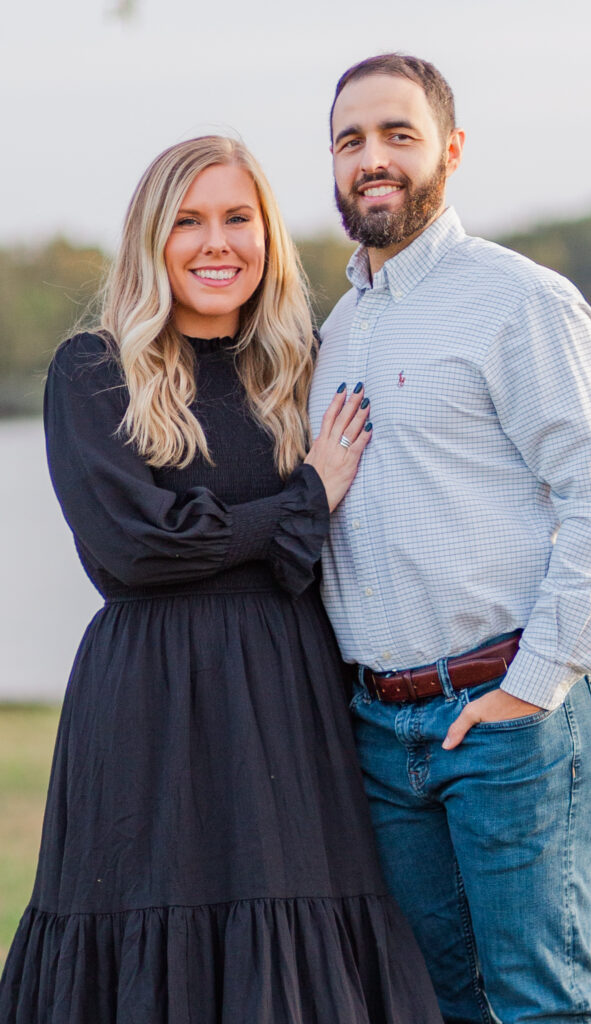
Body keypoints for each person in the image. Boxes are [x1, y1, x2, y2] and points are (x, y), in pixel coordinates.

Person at [0, 135, 443, 1024]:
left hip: (290, 695)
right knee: (145, 927)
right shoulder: (93, 371)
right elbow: (138, 549)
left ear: (268, 237)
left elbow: (349, 540)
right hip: (146, 703)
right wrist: (305, 497)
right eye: (188, 222)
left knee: (298, 938)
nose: (216, 243)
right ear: (150, 240)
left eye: (238, 219)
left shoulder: (303, 369)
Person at [309, 54, 591, 1024]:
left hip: (507, 712)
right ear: (332, 167)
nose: (370, 158)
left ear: (448, 152)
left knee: (538, 1006)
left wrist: (529, 685)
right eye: (349, 141)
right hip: (381, 729)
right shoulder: (333, 331)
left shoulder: (517, 301)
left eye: (397, 134)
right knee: (435, 1006)